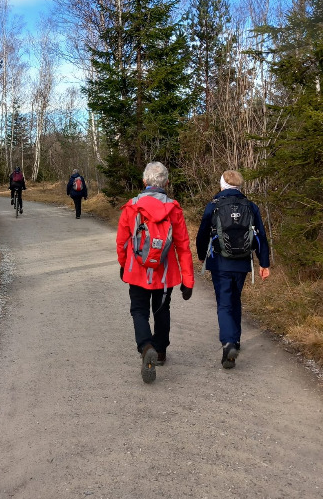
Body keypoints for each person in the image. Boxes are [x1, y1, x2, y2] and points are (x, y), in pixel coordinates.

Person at [116, 161, 194, 383]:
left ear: (144, 181)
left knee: (139, 310)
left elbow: (122, 242)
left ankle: (145, 346)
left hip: (137, 271)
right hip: (165, 273)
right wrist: (188, 280)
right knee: (161, 310)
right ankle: (159, 351)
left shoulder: (132, 207)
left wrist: (124, 264)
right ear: (166, 183)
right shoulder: (174, 209)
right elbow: (183, 246)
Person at [196, 169, 270, 370]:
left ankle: (228, 342)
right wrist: (264, 263)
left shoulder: (214, 205)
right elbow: (261, 236)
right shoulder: (250, 206)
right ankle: (235, 341)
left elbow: (203, 233)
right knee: (235, 299)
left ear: (222, 185)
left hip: (219, 262)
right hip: (242, 262)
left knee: (224, 303)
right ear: (239, 186)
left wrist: (201, 254)